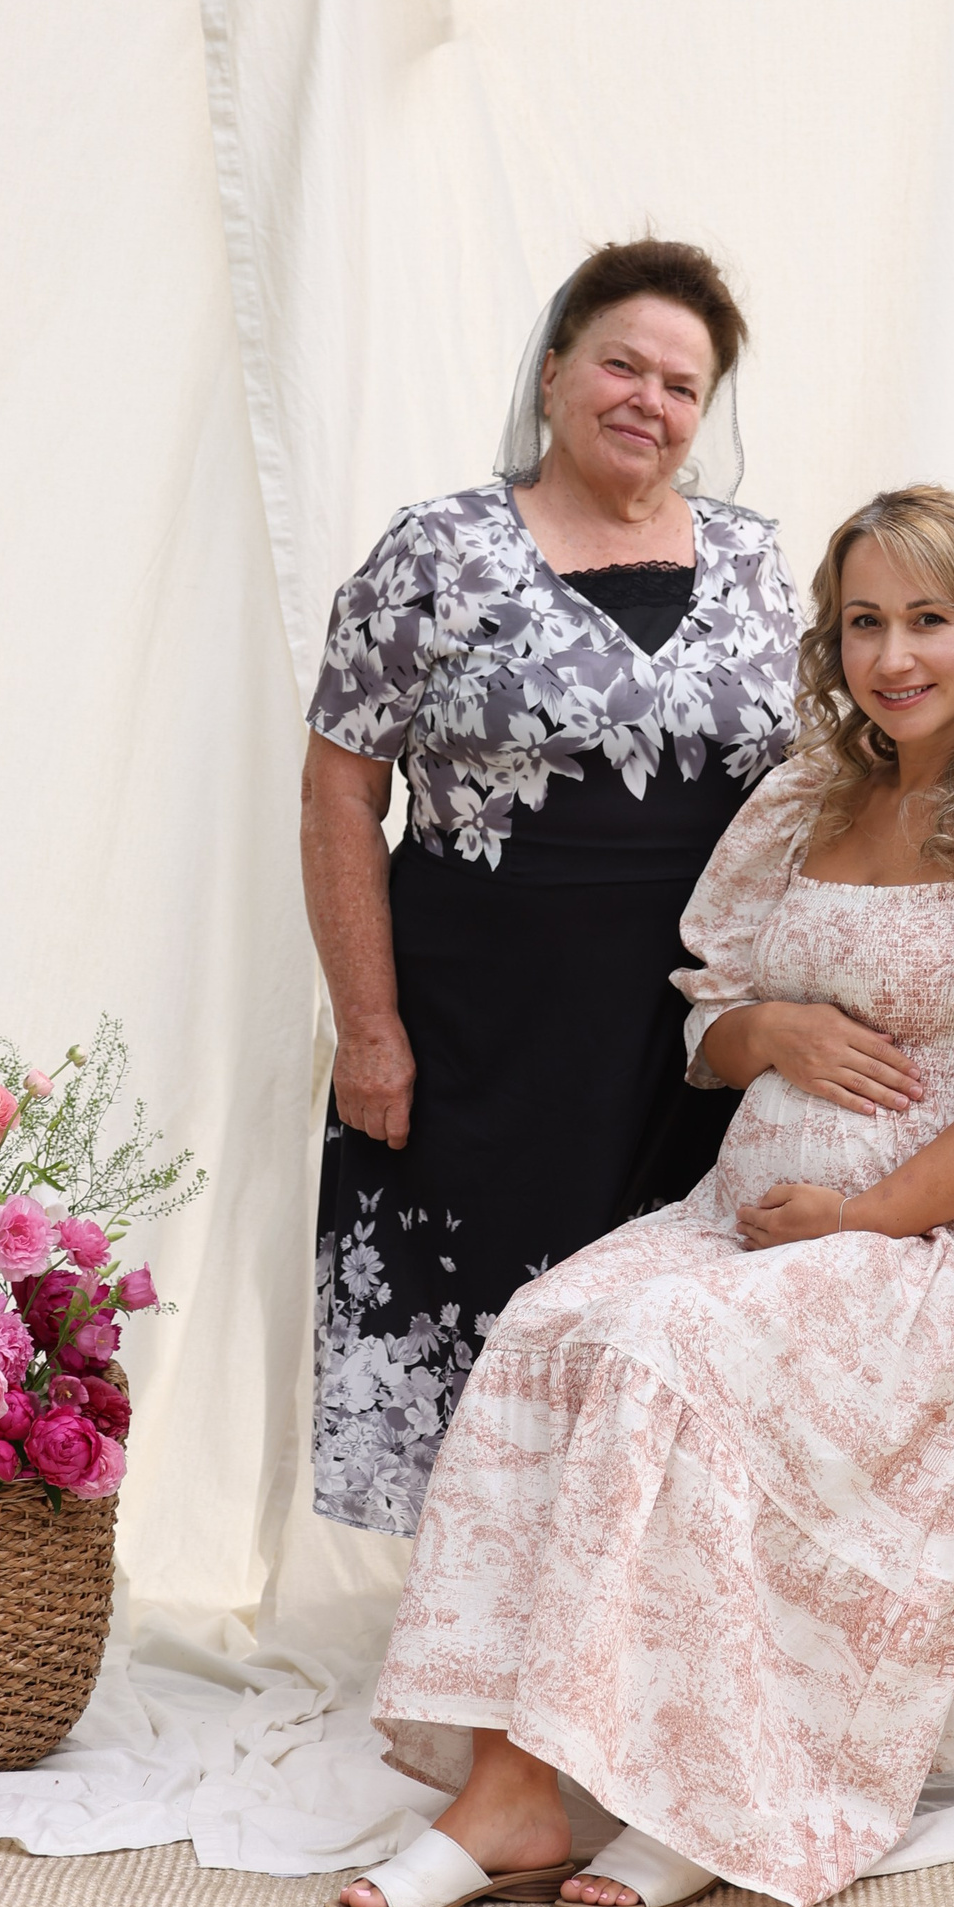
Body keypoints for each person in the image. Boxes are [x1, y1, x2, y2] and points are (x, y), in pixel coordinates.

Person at [326, 486, 954, 1907]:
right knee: (547, 1327)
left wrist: (864, 1218)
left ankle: (706, 1788)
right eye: (864, 624)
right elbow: (708, 1023)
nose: (893, 656)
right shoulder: (803, 797)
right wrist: (767, 1030)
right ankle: (516, 1791)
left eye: (930, 621)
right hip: (752, 1215)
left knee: (670, 1354)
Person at [300, 239, 800, 1537]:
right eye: (623, 365)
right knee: (480, 1326)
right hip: (478, 1035)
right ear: (557, 369)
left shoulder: (758, 562)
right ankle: (471, 1642)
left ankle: (618, 1635)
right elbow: (340, 793)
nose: (649, 401)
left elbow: (816, 782)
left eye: (682, 385)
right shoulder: (436, 551)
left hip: (687, 1042)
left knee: (654, 1339)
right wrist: (368, 1027)